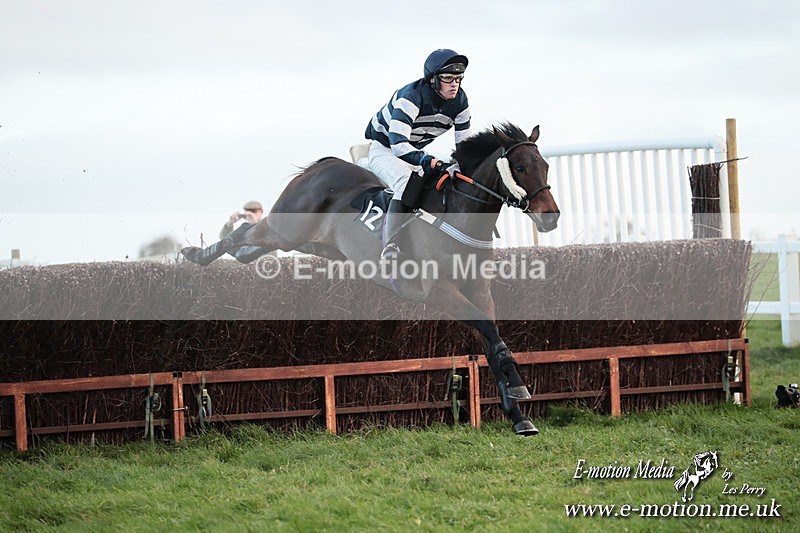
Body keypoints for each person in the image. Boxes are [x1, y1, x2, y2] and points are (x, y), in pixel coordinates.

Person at [363, 48, 473, 259]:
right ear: (433, 79)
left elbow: (464, 146)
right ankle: (391, 245)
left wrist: (461, 166)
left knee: (434, 186)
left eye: (458, 78)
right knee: (406, 182)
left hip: (413, 151)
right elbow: (398, 145)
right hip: (385, 149)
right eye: (448, 78)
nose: (455, 84)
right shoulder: (411, 96)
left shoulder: (460, 102)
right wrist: (431, 161)